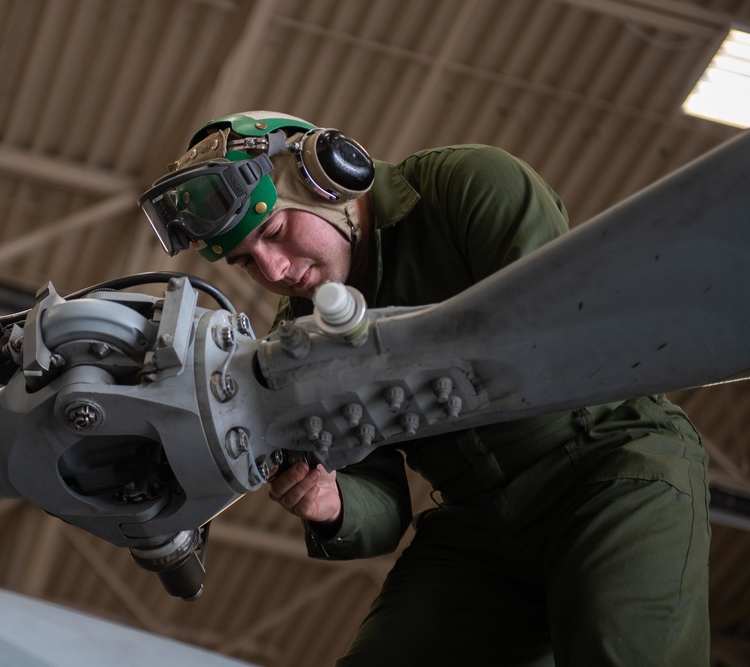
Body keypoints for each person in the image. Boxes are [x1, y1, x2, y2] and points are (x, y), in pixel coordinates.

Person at [139, 111, 710, 666]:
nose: (275, 272)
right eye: (246, 262)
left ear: (329, 174)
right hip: (478, 527)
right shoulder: (297, 339)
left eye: (275, 231)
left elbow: (557, 334)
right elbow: (382, 505)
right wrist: (333, 501)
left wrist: (388, 352)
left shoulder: (467, 186)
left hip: (607, 468)